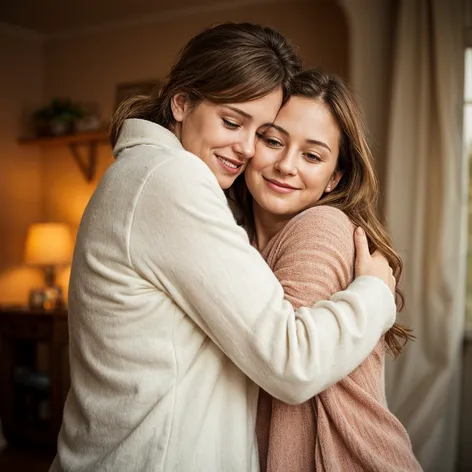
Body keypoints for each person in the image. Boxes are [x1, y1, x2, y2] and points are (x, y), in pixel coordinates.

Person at [51, 24, 397, 472]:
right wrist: (374, 294)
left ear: (335, 175)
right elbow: (292, 363)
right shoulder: (171, 180)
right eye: (233, 122)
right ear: (182, 102)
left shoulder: (149, 176)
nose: (246, 149)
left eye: (260, 132)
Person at [229, 68, 421, 471]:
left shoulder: (321, 228)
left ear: (335, 177)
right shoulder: (240, 239)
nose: (286, 165)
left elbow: (288, 371)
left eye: (312, 155)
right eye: (273, 141)